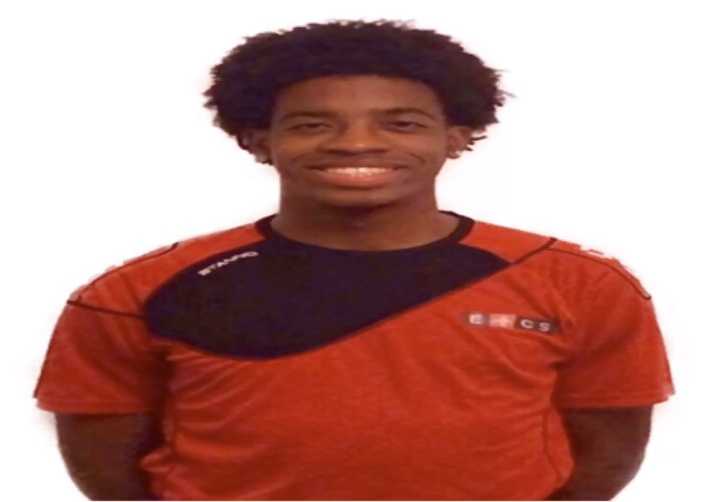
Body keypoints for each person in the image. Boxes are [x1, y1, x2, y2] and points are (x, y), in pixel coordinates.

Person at [33, 18, 675, 500]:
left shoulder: (579, 283)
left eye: (402, 123)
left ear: (456, 137)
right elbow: (106, 469)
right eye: (312, 124)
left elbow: (608, 452)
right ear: (257, 139)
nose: (356, 143)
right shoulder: (135, 294)